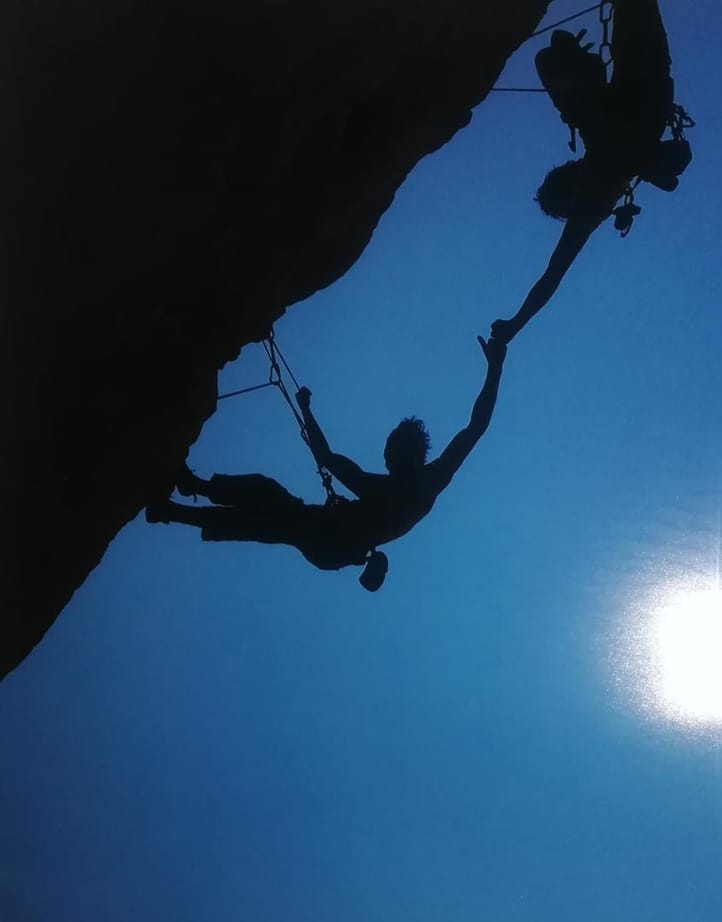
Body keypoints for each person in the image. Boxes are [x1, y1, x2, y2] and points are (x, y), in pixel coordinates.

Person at [146, 335, 507, 591]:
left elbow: (476, 427)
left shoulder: (414, 484)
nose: (385, 456)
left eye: (390, 449)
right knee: (266, 502)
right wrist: (306, 410)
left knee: (265, 515)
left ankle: (179, 503)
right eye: (386, 449)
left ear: (409, 453)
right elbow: (328, 458)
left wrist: (495, 367)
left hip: (332, 542)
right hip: (330, 538)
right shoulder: (401, 484)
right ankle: (184, 496)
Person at [492, 0, 691, 344]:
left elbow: (552, 275)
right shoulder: (594, 194)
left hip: (643, 86)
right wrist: (514, 324)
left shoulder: (595, 197)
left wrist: (515, 324)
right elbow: (551, 276)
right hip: (642, 81)